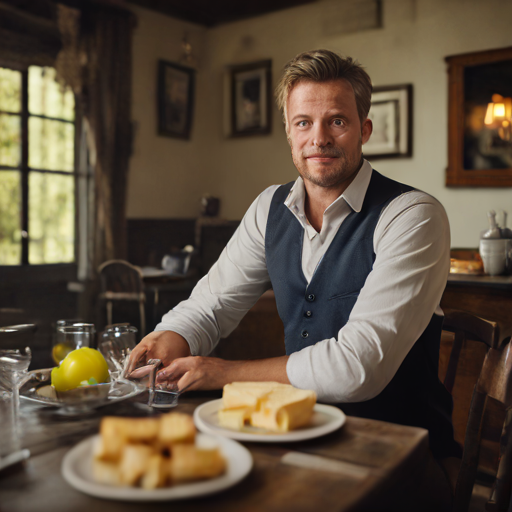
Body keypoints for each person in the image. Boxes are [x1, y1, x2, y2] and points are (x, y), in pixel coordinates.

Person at [129, 49, 460, 505]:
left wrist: (224, 374)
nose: (318, 138)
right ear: (288, 131)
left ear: (364, 129)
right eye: (303, 122)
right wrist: (171, 336)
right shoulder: (269, 207)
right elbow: (212, 304)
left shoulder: (413, 216)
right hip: (296, 437)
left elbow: (356, 367)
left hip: (401, 454)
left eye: (337, 122)